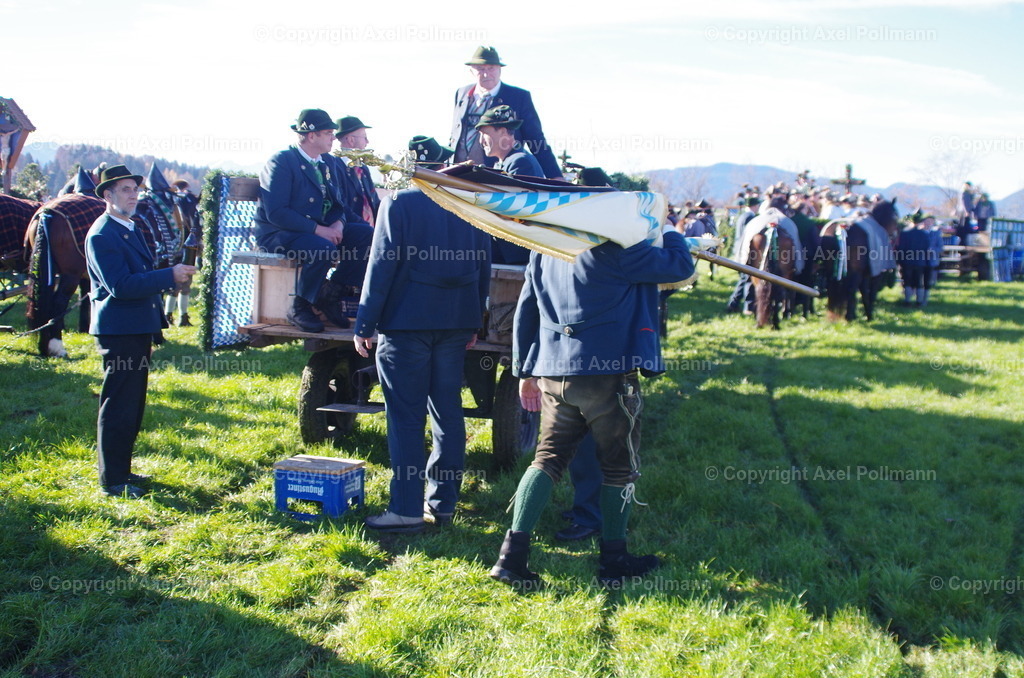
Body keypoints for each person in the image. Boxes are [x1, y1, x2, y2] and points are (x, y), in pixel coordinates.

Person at [489, 215, 695, 589]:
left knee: (546, 461)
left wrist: (524, 372)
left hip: (554, 372)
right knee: (619, 469)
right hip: (607, 375)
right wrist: (669, 232)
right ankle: (614, 561)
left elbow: (526, 309)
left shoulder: (544, 249)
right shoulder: (619, 247)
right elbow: (680, 266)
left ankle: (510, 558)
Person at [354, 136, 491, 533]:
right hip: (455, 324)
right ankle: (443, 505)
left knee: (406, 418)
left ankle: (406, 509)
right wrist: (473, 320)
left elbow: (381, 266)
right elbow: (483, 266)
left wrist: (364, 323)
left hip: (406, 325)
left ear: (410, 168)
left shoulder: (399, 203)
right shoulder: (468, 205)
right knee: (447, 413)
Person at [85, 165, 196, 498]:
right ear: (107, 195)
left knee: (131, 405)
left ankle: (123, 471)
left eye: (134, 189)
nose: (133, 195)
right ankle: (113, 481)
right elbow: (120, 286)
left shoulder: (128, 227)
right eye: (124, 190)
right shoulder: (102, 234)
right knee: (118, 405)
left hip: (135, 329)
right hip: (118, 331)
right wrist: (169, 275)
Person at [252, 109, 373, 333]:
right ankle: (299, 306)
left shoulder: (327, 162)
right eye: (328, 133)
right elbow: (277, 213)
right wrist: (318, 229)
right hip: (280, 233)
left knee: (367, 236)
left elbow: (338, 205)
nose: (333, 138)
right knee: (324, 248)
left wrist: (339, 223)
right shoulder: (282, 161)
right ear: (311, 135)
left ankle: (331, 294)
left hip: (316, 231)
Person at [450, 46, 561, 179]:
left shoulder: (518, 97)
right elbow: (455, 135)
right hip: (458, 173)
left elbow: (536, 139)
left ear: (499, 70)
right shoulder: (462, 94)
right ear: (471, 71)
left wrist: (555, 176)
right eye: (480, 69)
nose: (486, 74)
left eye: (491, 68)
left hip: (492, 174)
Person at [474, 104, 542, 264]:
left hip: (515, 254)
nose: (481, 141)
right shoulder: (504, 163)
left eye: (485, 134)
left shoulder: (520, 162)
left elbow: (513, 212)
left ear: (503, 131)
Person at [332, 115, 381, 227]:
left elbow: (375, 202)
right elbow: (342, 207)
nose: (367, 142)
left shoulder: (363, 168)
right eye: (364, 137)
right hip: (352, 233)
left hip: (370, 232)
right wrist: (366, 228)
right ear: (351, 140)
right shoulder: (334, 167)